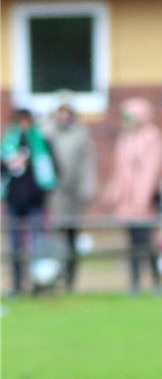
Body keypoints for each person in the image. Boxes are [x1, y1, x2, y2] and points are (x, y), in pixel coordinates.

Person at [104, 98, 162, 295]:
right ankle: (134, 283)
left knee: (147, 242)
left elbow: (150, 171)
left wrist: (142, 198)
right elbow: (120, 170)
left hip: (145, 202)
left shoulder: (153, 138)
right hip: (127, 202)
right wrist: (113, 193)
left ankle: (156, 282)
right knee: (131, 244)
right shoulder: (125, 138)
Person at [3, 108, 58, 297]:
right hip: (14, 201)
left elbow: (54, 170)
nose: (23, 125)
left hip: (35, 201)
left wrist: (42, 190)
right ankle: (17, 284)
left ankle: (39, 284)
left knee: (37, 245)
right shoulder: (8, 143)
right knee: (15, 246)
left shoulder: (41, 142)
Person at [45, 100, 97, 294]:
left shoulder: (80, 135)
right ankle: (54, 275)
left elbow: (87, 164)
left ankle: (70, 277)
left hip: (73, 194)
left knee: (72, 237)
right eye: (61, 112)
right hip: (55, 194)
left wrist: (87, 188)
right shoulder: (48, 133)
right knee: (55, 236)